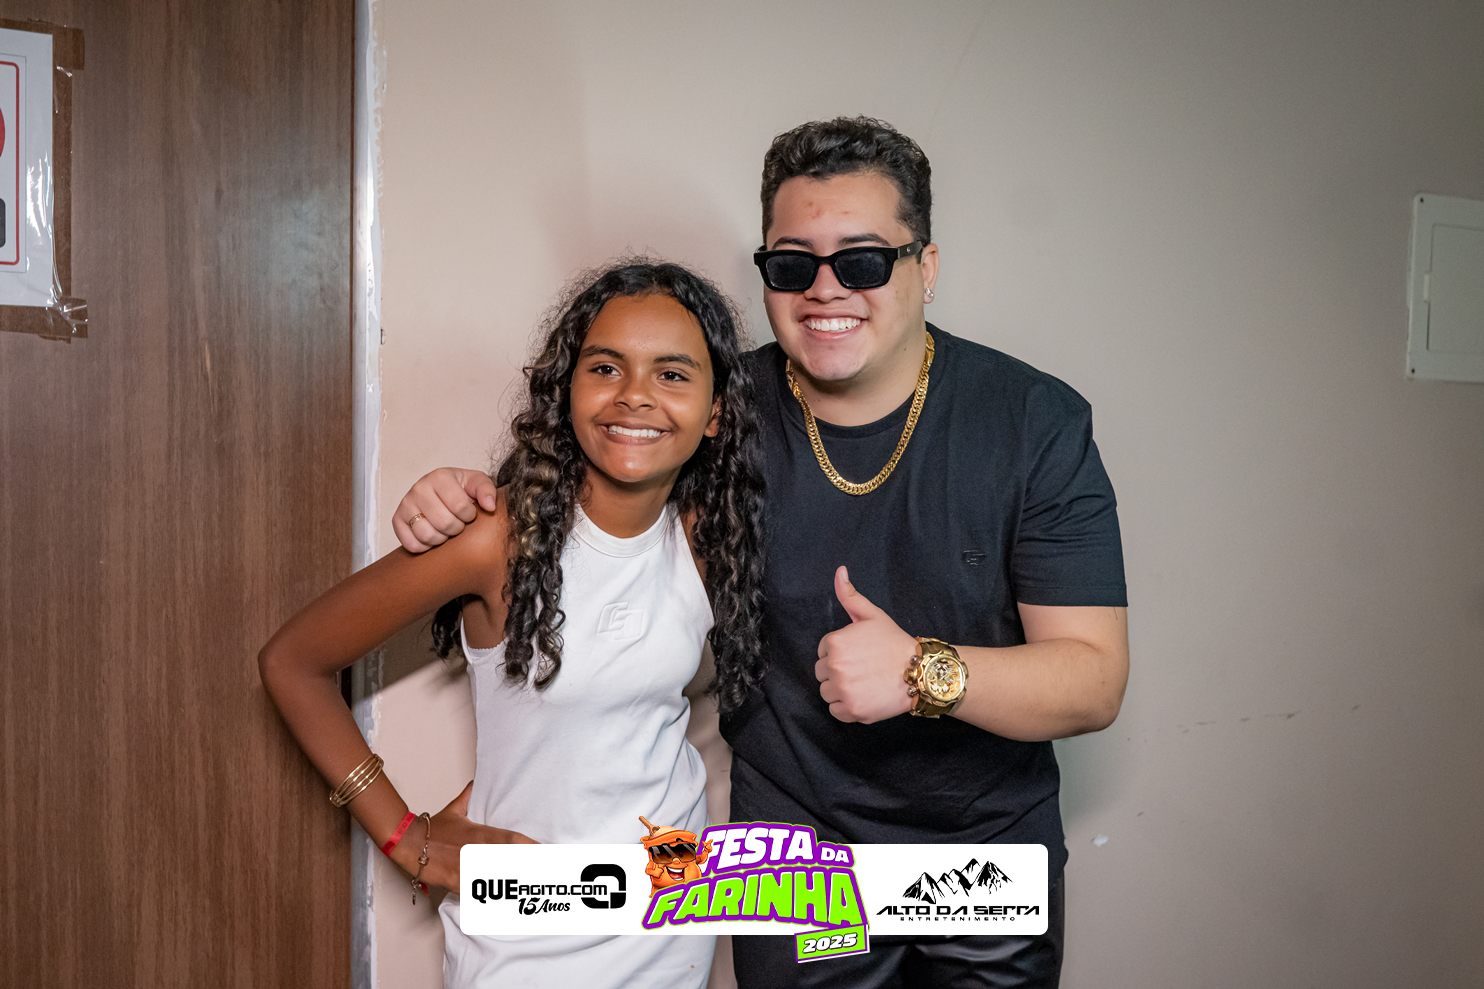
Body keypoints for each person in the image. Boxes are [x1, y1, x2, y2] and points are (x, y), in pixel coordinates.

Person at [394, 117, 1129, 988]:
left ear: (926, 267)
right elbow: (584, 501)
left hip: (981, 856)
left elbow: (1093, 679)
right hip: (797, 862)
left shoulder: (1032, 422)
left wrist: (924, 672)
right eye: (792, 264)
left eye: (863, 260)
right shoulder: (715, 406)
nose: (826, 289)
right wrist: (463, 496)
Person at [258, 259, 766, 988]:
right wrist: (406, 839)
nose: (635, 395)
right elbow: (292, 662)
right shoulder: (496, 539)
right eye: (606, 367)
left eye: (673, 374)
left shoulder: (709, 537)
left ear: (715, 413)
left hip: (667, 921)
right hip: (525, 934)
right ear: (566, 390)